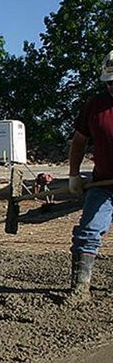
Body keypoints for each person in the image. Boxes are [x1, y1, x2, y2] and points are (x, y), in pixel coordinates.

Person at [65, 50, 113, 305]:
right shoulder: (94, 106)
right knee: (88, 231)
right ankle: (81, 288)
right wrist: (74, 175)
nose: (112, 86)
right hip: (103, 184)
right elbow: (79, 141)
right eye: (109, 82)